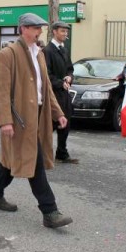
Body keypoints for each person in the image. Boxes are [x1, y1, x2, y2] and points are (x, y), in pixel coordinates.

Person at [0, 13, 72, 229]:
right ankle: (49, 210)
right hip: (20, 118)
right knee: (34, 161)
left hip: (39, 117)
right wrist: (5, 121)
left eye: (40, 28)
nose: (39, 31)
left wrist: (57, 113)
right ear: (23, 28)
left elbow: (46, 88)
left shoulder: (39, 54)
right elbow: (1, 90)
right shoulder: (8, 54)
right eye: (35, 28)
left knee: (11, 159)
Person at [43, 21, 79, 164]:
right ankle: (43, 154)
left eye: (66, 31)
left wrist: (70, 77)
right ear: (55, 32)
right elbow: (46, 74)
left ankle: (62, 152)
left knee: (66, 122)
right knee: (50, 125)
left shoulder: (64, 49)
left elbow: (70, 68)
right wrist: (60, 83)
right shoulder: (47, 50)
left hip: (64, 93)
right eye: (62, 31)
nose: (65, 34)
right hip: (53, 94)